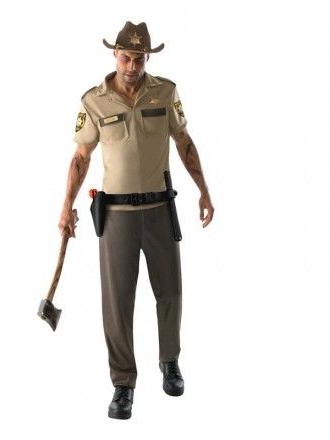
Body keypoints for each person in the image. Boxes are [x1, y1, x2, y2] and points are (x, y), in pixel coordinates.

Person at [58, 21, 214, 420]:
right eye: (126, 57)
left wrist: (204, 190)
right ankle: (123, 382)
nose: (132, 66)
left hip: (160, 209)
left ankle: (170, 361)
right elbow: (81, 157)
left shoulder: (165, 92)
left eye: (139, 59)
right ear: (115, 54)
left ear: (148, 58)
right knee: (117, 302)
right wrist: (66, 206)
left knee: (170, 292)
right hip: (116, 216)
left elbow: (184, 142)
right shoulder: (94, 101)